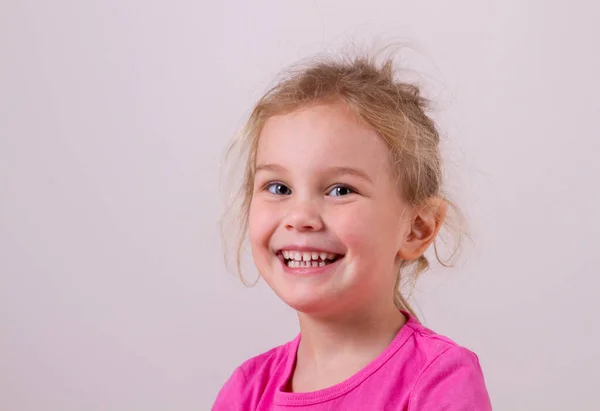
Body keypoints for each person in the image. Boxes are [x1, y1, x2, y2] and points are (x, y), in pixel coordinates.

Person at [213, 50, 492, 410]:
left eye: (340, 190)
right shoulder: (246, 391)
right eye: (279, 188)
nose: (300, 217)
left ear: (416, 229)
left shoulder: (439, 380)